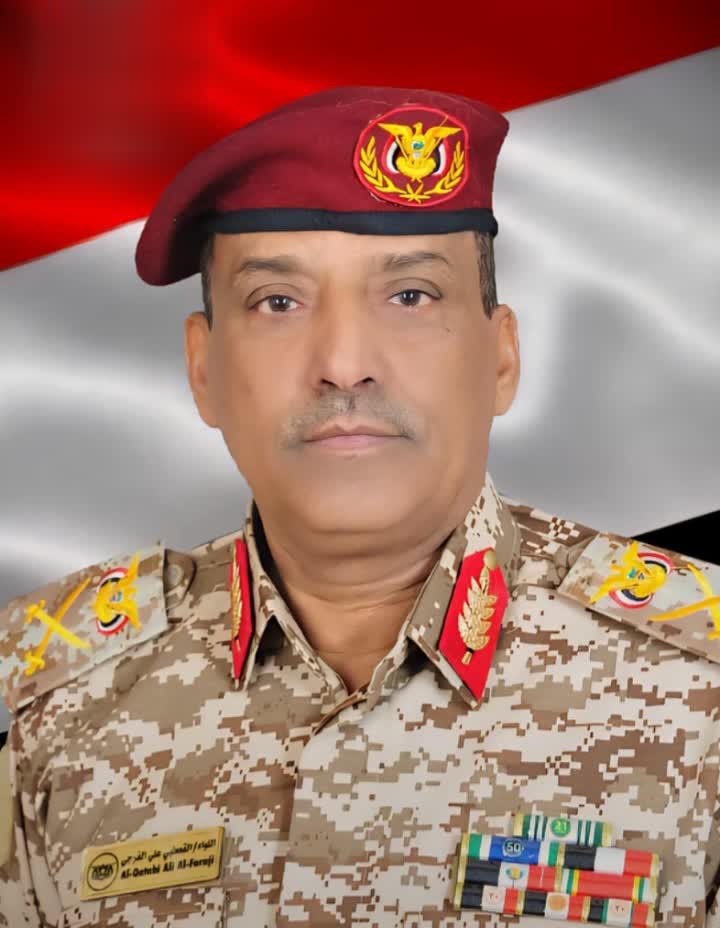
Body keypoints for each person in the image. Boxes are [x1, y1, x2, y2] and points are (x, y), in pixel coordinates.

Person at [0, 86, 718, 928]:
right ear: (203, 370)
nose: (343, 364)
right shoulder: (57, 709)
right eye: (278, 302)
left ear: (502, 359)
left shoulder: (701, 693)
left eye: (411, 295)